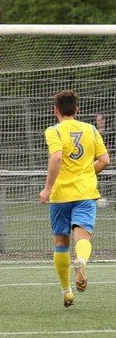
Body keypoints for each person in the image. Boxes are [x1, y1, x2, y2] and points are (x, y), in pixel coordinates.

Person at [39, 90, 110, 307]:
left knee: (61, 242)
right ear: (77, 109)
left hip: (61, 195)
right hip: (85, 193)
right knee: (83, 236)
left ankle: (67, 291)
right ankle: (81, 261)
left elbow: (57, 157)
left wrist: (47, 188)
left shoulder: (53, 130)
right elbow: (105, 160)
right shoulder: (91, 129)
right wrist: (87, 173)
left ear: (55, 110)